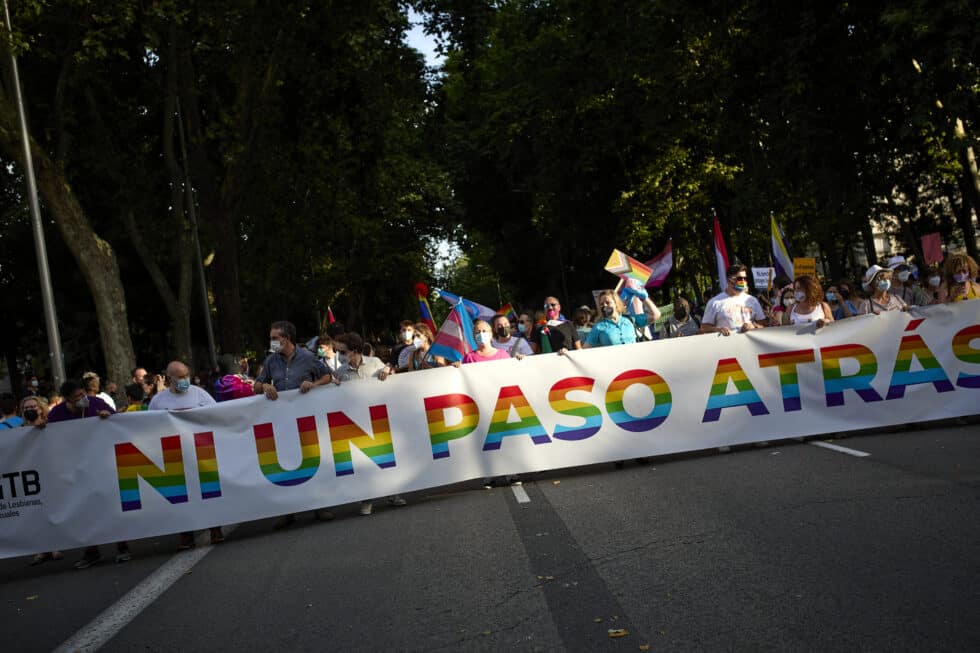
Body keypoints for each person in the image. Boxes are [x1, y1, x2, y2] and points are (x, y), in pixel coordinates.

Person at [47, 380, 128, 568]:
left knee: (111, 506)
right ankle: (91, 552)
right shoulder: (57, 414)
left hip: (103, 465)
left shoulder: (97, 403)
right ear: (67, 399)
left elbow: (120, 423)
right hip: (75, 470)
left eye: (83, 393)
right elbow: (49, 439)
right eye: (77, 397)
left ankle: (122, 546)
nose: (83, 398)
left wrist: (110, 417)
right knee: (84, 510)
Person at [149, 360, 223, 549]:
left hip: (201, 450)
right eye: (180, 377)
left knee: (208, 490)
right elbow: (149, 426)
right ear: (169, 379)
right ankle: (186, 534)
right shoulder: (158, 401)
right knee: (181, 495)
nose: (185, 380)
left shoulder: (201, 394)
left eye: (186, 375)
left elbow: (217, 415)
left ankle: (215, 529)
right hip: (173, 454)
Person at [333, 333, 404, 516]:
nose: (339, 355)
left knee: (386, 458)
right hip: (357, 423)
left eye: (342, 351)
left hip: (378, 419)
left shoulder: (374, 363)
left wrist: (389, 370)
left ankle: (392, 494)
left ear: (354, 350)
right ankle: (367, 499)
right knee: (363, 462)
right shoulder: (340, 373)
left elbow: (392, 378)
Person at [253, 320, 337, 400]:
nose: (271, 342)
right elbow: (257, 387)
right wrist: (264, 386)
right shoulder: (270, 360)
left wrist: (313, 385)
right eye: (271, 338)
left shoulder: (308, 357)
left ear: (287, 338)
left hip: (305, 410)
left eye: (275, 338)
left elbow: (327, 377)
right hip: (281, 410)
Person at [700, 264, 767, 335]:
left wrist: (753, 326)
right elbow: (704, 328)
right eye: (740, 279)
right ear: (729, 280)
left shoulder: (752, 300)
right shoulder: (714, 303)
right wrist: (718, 329)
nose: (743, 281)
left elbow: (763, 325)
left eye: (745, 278)